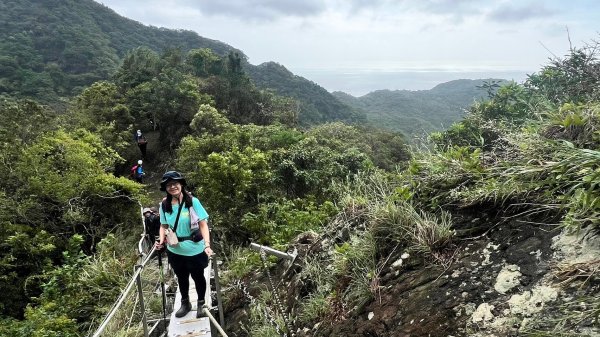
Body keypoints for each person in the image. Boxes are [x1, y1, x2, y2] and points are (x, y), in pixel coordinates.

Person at [155, 171, 213, 318]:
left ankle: (201, 303)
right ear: (165, 188)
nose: (172, 187)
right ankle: (185, 303)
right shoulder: (164, 204)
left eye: (175, 183)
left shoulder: (193, 202)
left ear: (181, 184)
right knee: (181, 277)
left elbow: (203, 225)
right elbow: (163, 225)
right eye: (168, 185)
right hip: (175, 249)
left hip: (195, 248)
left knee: (198, 277)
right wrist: (161, 241)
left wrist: (207, 244)